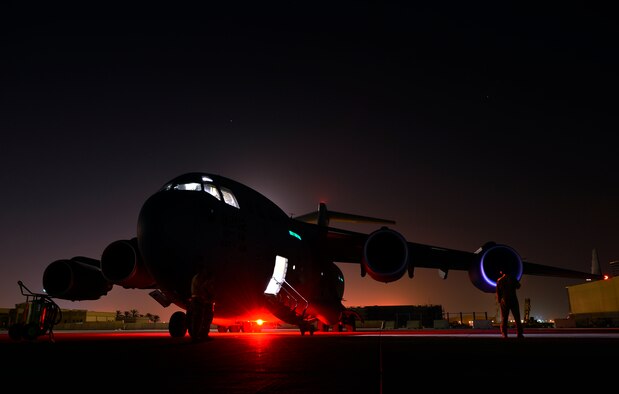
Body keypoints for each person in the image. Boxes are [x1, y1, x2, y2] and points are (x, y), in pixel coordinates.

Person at [496, 271, 524, 339]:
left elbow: (498, 292)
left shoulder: (499, 280)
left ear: (501, 272)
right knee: (517, 318)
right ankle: (519, 334)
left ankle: (504, 334)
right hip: (513, 299)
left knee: (504, 318)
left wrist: (499, 300)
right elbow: (518, 286)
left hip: (504, 300)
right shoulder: (512, 279)